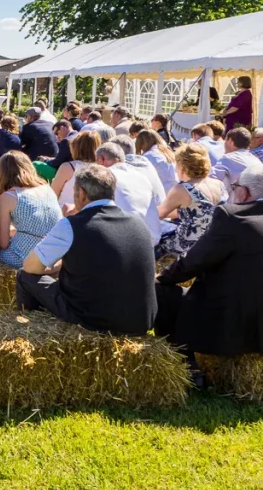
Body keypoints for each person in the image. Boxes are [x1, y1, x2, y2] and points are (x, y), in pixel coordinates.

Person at [18, 165, 157, 335]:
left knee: (24, 276)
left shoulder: (72, 225)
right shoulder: (138, 223)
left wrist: (54, 269)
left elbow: (31, 267)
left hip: (94, 319)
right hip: (140, 321)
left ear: (81, 193)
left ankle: (30, 333)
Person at [155, 165, 263, 370]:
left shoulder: (233, 217)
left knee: (161, 293)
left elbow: (194, 261)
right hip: (255, 320)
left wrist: (161, 277)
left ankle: (188, 367)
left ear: (244, 192)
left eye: (235, 186)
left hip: (230, 323)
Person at [156, 144, 226, 258]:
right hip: (214, 243)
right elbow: (200, 212)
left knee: (153, 238)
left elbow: (159, 214)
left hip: (189, 246)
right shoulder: (219, 184)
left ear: (183, 167)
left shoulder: (183, 189)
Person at [0, 151, 62, 269]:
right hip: (53, 253)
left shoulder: (8, 197)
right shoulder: (47, 188)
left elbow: (3, 243)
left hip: (25, 257)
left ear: (2, 173)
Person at [94, 143, 162, 245]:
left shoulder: (105, 177)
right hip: (154, 239)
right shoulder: (140, 175)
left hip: (129, 245)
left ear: (100, 160)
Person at [51, 130, 101, 212]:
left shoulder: (67, 167)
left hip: (66, 214)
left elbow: (52, 194)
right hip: (89, 215)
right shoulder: (102, 170)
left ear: (75, 148)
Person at [210, 127, 263, 194]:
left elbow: (211, 179)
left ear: (230, 141)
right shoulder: (255, 159)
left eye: (225, 141)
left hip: (240, 201)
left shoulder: (228, 158)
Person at [134, 130, 178, 194]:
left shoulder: (148, 156)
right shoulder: (167, 153)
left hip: (162, 193)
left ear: (142, 144)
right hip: (174, 190)